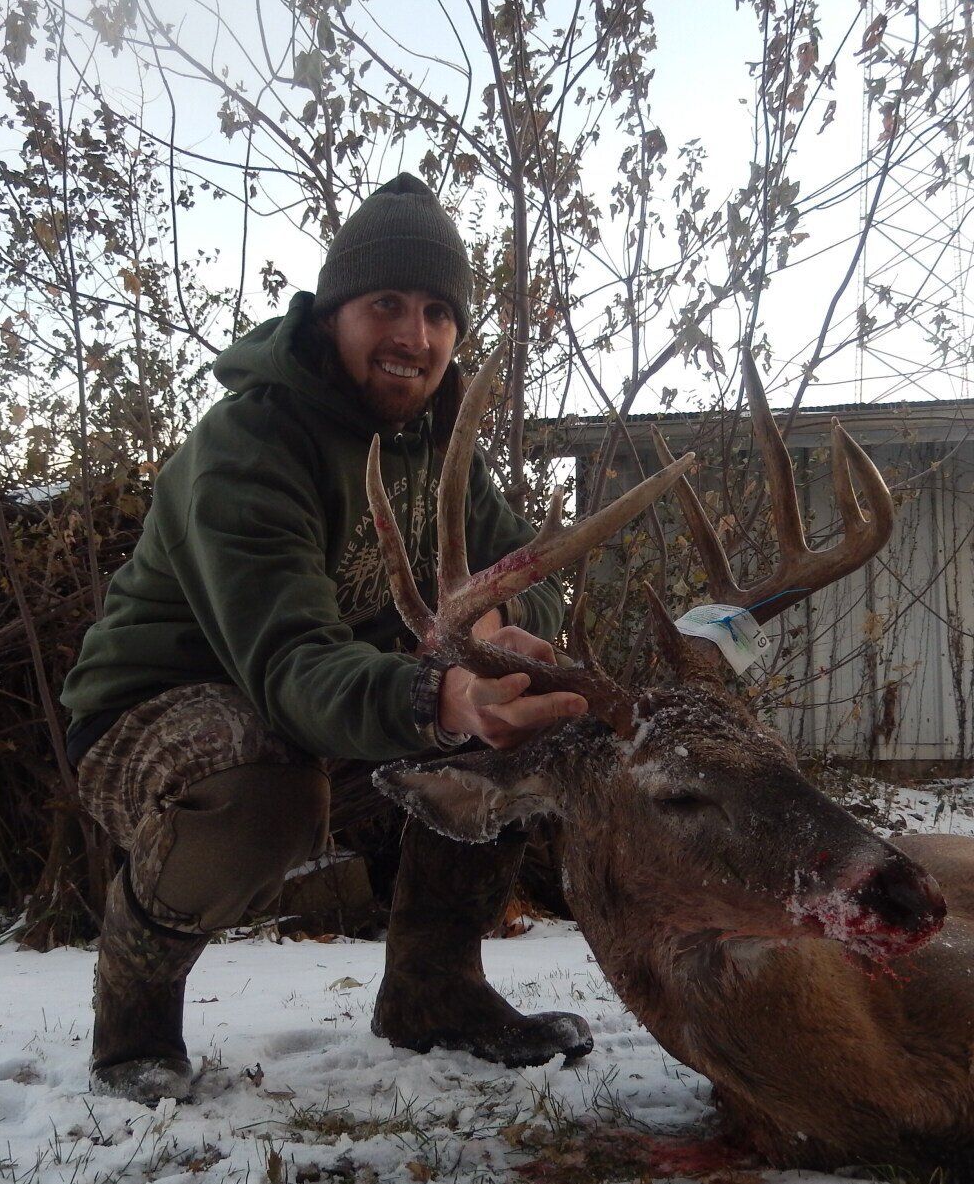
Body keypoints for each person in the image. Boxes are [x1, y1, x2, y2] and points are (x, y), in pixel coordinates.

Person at [60, 173, 593, 1105]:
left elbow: (530, 575)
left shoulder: (443, 449)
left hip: (324, 707)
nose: (414, 338)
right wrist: (438, 697)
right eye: (385, 304)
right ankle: (133, 1027)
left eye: (437, 313)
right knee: (259, 791)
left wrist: (502, 642)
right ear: (333, 313)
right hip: (157, 711)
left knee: (512, 735)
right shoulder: (247, 445)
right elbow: (288, 663)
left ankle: (436, 994)